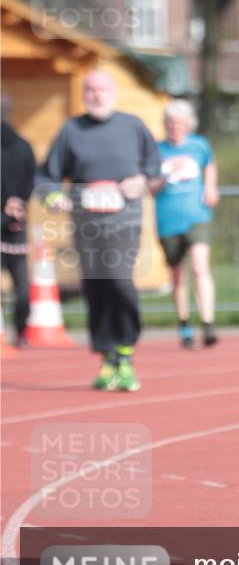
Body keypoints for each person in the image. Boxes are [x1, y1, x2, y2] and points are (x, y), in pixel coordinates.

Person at [38, 70, 161, 391]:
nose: (97, 95)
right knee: (96, 289)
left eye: (102, 89)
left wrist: (142, 180)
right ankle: (107, 359)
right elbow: (46, 176)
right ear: (84, 95)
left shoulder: (133, 126)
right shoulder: (71, 130)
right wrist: (52, 197)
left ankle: (126, 353)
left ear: (114, 92)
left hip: (124, 223)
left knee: (120, 283)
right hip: (87, 226)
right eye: (90, 90)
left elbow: (154, 166)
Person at [153, 99, 220, 348]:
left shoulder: (199, 145)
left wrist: (211, 187)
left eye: (180, 123)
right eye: (171, 123)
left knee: (200, 268)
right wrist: (166, 175)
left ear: (188, 124)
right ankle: (184, 323)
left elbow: (210, 165)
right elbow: (151, 187)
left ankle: (208, 323)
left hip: (197, 215)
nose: (175, 127)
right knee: (177, 274)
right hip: (168, 218)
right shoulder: (157, 150)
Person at [1, 97, 36, 347]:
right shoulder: (24, 145)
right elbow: (32, 178)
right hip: (18, 221)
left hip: (10, 220)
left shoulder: (22, 146)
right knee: (21, 284)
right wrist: (19, 202)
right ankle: (21, 332)